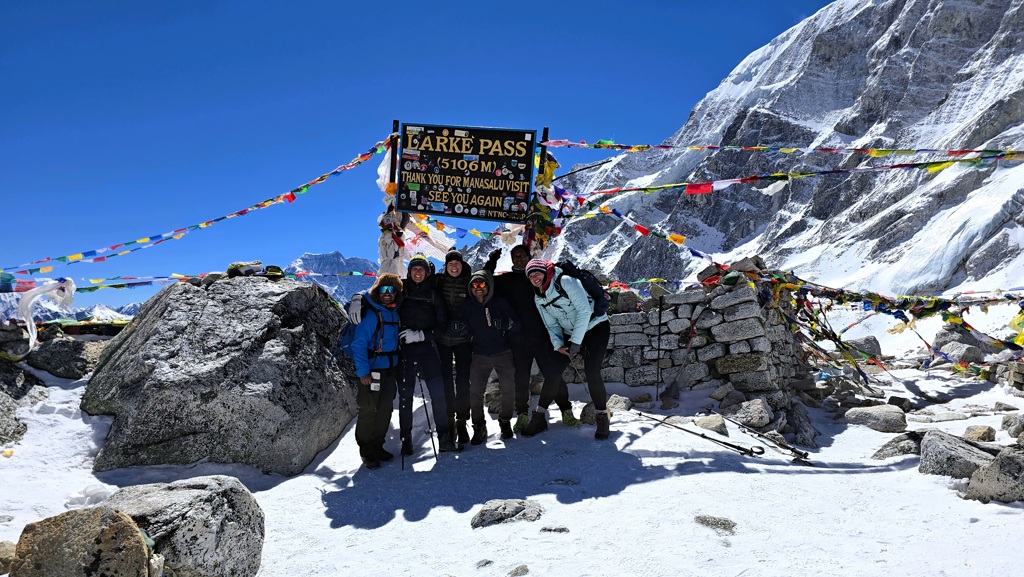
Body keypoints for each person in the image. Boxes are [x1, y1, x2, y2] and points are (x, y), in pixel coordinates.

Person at [485, 246, 580, 433]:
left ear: (529, 256)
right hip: (518, 340)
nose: (518, 259)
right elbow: (484, 280)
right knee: (521, 378)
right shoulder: (505, 281)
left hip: (543, 337)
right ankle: (522, 414)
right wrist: (492, 261)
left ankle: (565, 409)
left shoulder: (538, 277)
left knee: (553, 374)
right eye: (515, 256)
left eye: (522, 255)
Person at [522, 258, 612, 440]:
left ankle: (602, 416)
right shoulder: (539, 297)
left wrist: (576, 343)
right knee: (553, 372)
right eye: (530, 276)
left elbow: (585, 311)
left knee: (592, 371)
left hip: (596, 326)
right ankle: (539, 417)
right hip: (571, 334)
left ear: (546, 271)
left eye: (537, 272)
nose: (534, 277)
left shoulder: (566, 281)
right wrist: (558, 345)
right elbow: (551, 325)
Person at [398, 253, 463, 455]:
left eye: (421, 269)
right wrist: (358, 299)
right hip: (405, 350)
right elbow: (378, 295)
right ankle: (405, 437)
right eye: (414, 269)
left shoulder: (434, 294)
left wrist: (421, 335)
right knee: (405, 396)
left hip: (427, 349)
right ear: (409, 272)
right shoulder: (400, 289)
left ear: (427, 272)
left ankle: (444, 436)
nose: (418, 272)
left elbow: (442, 325)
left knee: (438, 393)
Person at [455, 269, 519, 443]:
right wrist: (460, 327)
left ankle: (505, 421)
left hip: (502, 352)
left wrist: (504, 324)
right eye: (474, 285)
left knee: (508, 388)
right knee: (475, 391)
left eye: (482, 284)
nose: (478, 288)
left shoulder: (499, 302)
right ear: (470, 288)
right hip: (479, 354)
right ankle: (479, 426)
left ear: (488, 286)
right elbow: (459, 321)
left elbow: (516, 324)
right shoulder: (467, 305)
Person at [350, 273, 403, 469]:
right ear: (377, 291)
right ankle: (366, 451)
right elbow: (359, 343)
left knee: (385, 410)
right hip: (372, 372)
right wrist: (363, 373)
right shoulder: (372, 314)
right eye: (383, 289)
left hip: (390, 370)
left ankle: (378, 446)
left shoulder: (394, 312)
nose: (387, 294)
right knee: (368, 410)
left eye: (392, 290)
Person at [434, 248, 473, 444]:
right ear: (446, 266)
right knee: (446, 382)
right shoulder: (438, 281)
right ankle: (449, 421)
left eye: (457, 263)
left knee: (464, 382)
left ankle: (462, 421)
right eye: (450, 263)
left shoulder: (469, 281)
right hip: (442, 339)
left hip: (464, 339)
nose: (454, 266)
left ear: (462, 264)